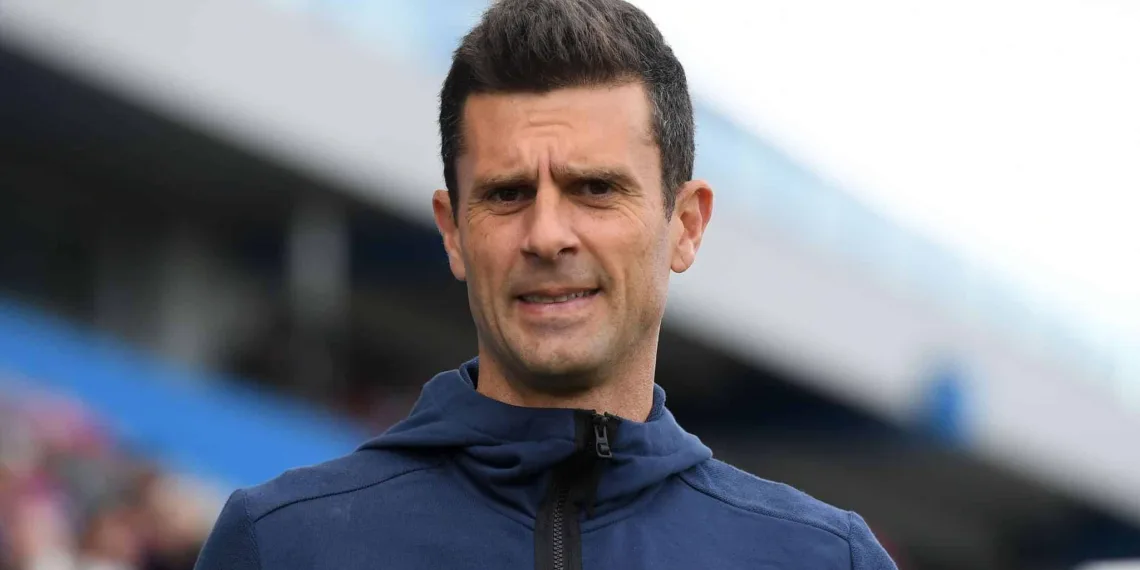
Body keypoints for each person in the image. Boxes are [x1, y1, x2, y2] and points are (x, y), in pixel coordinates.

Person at [193, 0, 898, 568]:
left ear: (685, 225)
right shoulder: (284, 544)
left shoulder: (822, 558)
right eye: (506, 194)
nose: (547, 235)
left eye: (595, 188)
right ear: (452, 231)